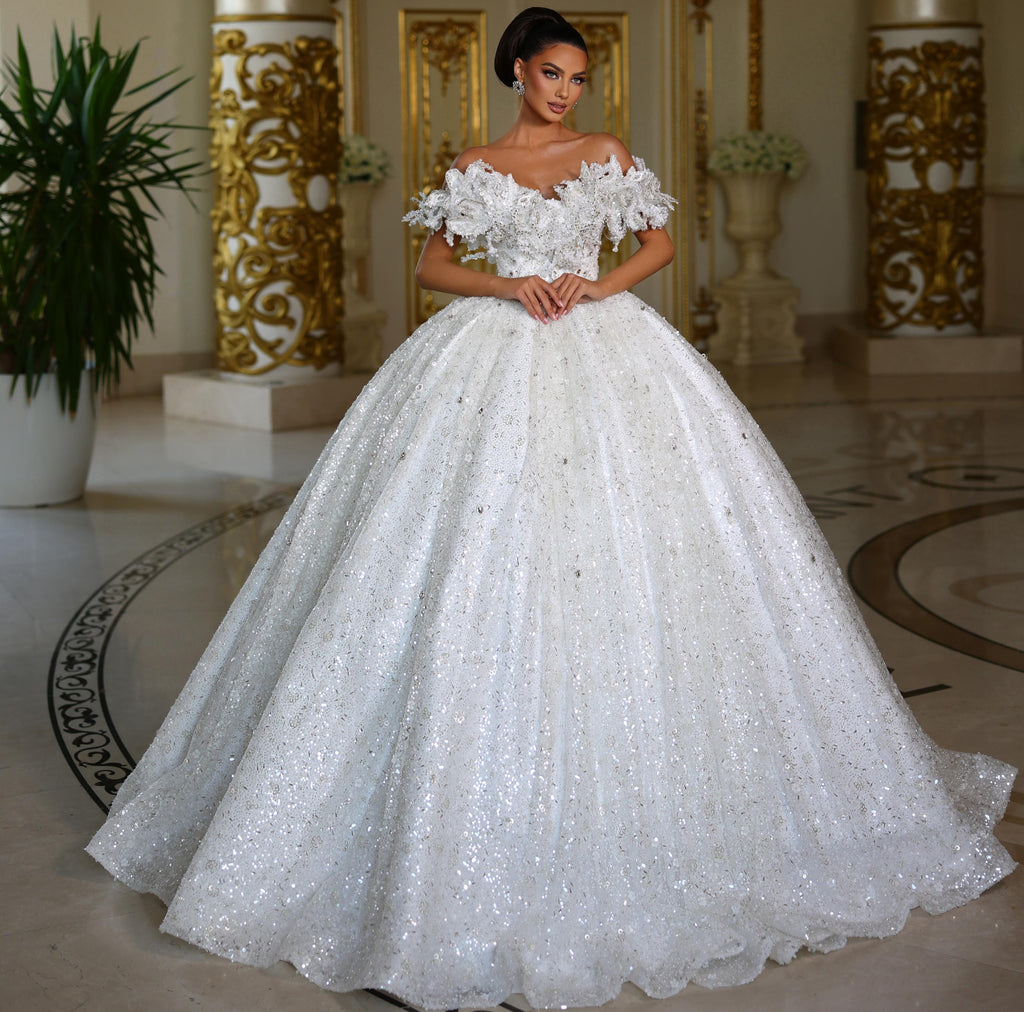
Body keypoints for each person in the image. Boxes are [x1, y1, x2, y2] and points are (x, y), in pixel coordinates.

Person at [87, 7, 1016, 1010]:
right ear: (516, 71)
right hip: (491, 347)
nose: (565, 91)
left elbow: (657, 243)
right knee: (459, 550)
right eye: (550, 74)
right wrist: (511, 283)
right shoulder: (474, 160)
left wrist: (593, 282)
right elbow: (432, 267)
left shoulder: (604, 150)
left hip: (606, 343)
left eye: (577, 76)